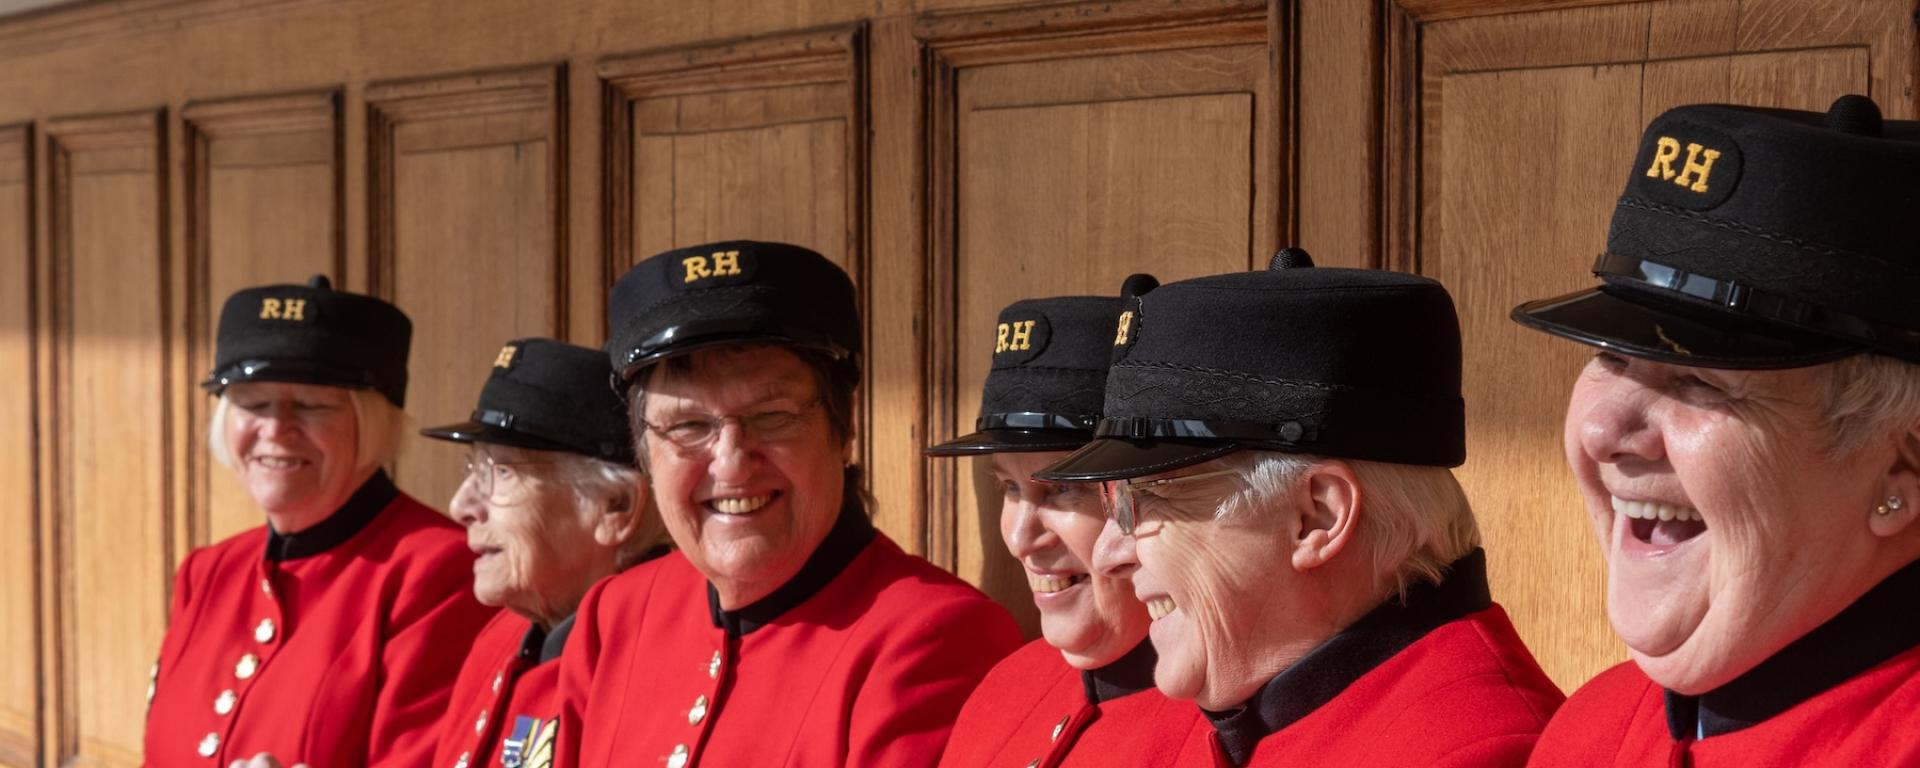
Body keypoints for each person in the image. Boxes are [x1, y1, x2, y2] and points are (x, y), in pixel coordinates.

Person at [1512, 95, 1920, 766]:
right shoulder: (1593, 730)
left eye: (1700, 381)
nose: (1606, 429)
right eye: (1610, 358)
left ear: (1904, 468)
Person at [1036, 249, 1564, 767]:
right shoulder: (1273, 712)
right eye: (1112, 500)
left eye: (1146, 498)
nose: (1108, 553)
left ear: (1317, 517)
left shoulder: (1472, 752)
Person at [555, 240, 1024, 767]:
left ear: (843, 427)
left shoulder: (934, 638)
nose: (731, 463)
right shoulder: (615, 614)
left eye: (772, 416)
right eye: (688, 426)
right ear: (644, 448)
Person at [145, 275, 495, 767]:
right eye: (252, 403)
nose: (275, 429)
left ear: (370, 421)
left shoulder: (441, 572)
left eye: (311, 406)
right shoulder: (207, 571)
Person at [929, 284, 1201, 768]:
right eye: (1009, 488)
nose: (1019, 540)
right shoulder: (1006, 688)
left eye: (1062, 488)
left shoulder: (1221, 732)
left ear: (1155, 495)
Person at [424, 338, 670, 768]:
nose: (460, 506)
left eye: (501, 471)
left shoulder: (658, 663)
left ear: (616, 506)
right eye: (473, 468)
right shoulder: (500, 637)